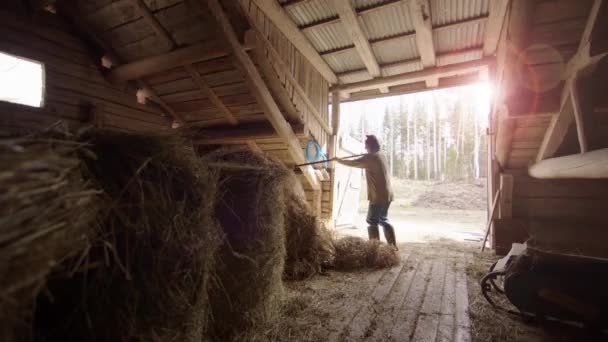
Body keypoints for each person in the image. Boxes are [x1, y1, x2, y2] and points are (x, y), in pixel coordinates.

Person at [336, 135, 397, 248]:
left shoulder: (370, 158)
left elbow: (353, 163)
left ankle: (374, 249)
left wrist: (338, 160)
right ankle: (393, 247)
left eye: (366, 146)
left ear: (371, 146)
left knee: (372, 221)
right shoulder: (381, 156)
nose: (365, 148)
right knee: (383, 219)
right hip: (387, 195)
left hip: (378, 196)